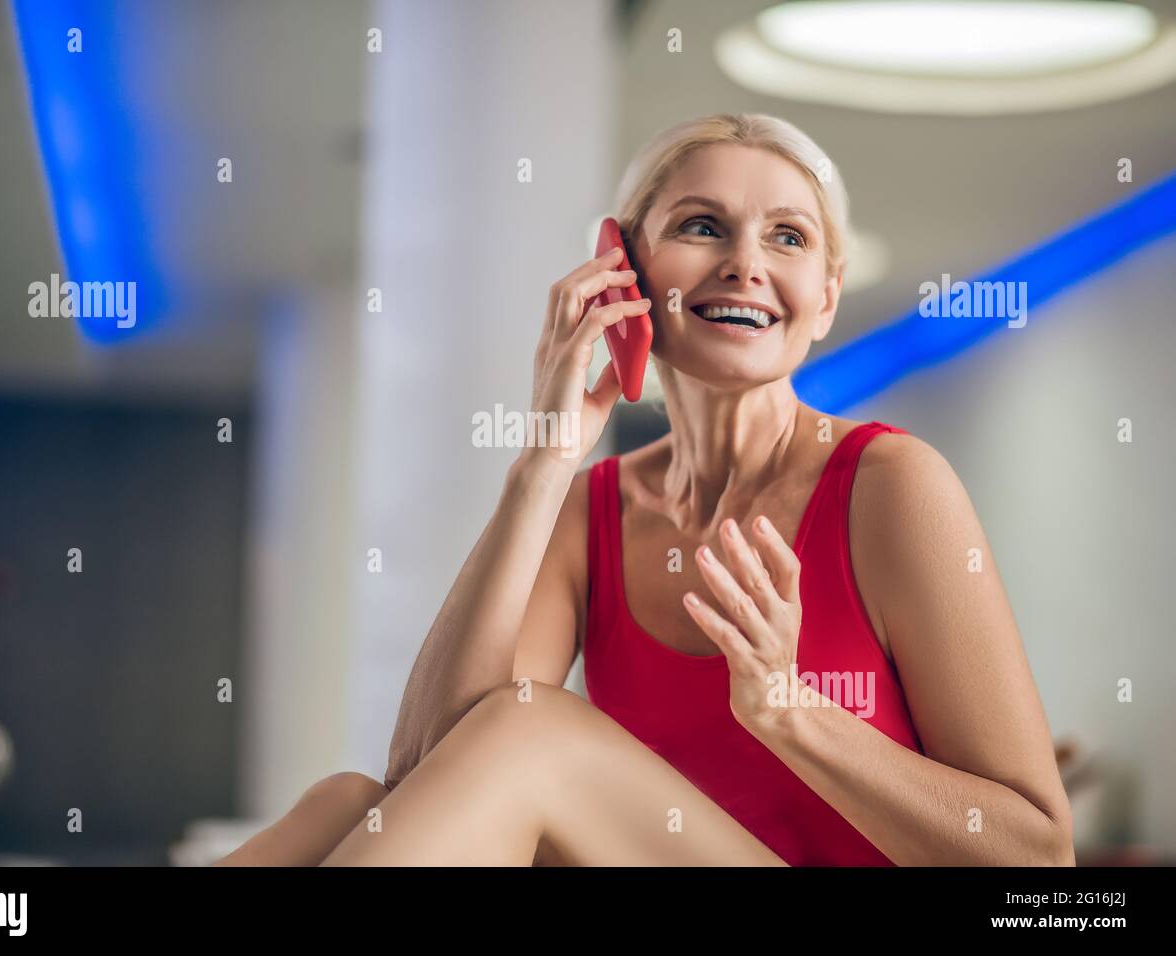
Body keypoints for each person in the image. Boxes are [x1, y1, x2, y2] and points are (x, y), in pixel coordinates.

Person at [217, 113, 1074, 866]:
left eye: (788, 236)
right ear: (622, 271)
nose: (746, 264)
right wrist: (542, 464)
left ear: (824, 299)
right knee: (346, 801)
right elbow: (427, 774)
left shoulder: (891, 486)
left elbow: (1040, 862)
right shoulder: (594, 510)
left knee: (528, 726)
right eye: (703, 226)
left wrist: (790, 712)